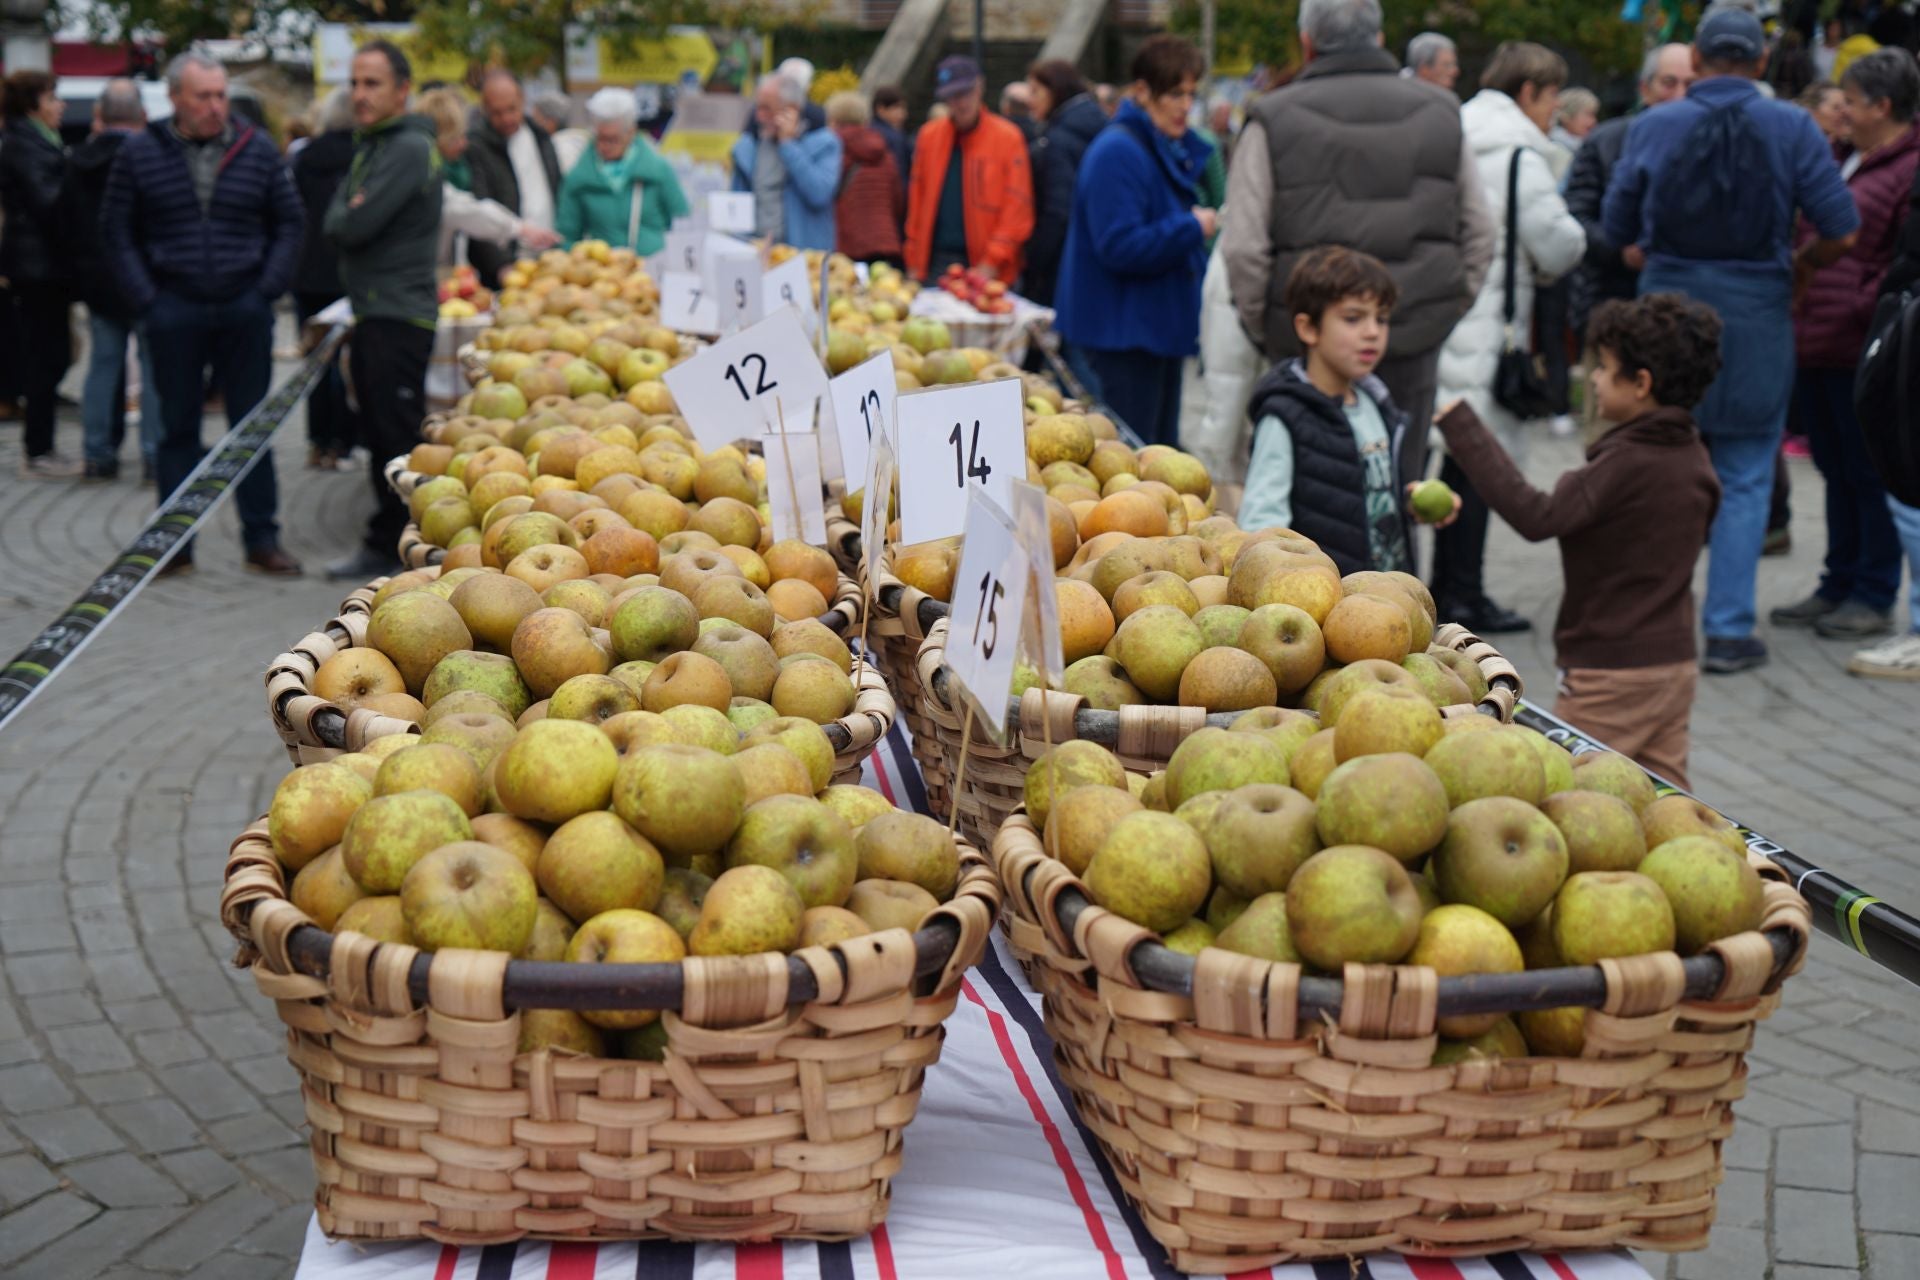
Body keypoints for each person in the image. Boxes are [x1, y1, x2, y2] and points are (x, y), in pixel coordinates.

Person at [1603, 7, 1860, 674]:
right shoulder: (1793, 126)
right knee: (1746, 474)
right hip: (1756, 313)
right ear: (1760, 61)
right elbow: (1843, 228)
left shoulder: (1655, 124)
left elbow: (1616, 223)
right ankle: (1727, 630)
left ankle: (1651, 625)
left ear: (1695, 57)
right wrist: (1803, 265)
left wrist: (1654, 257)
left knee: (1657, 462)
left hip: (1665, 311)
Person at [1435, 294, 1723, 787]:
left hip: (1608, 673)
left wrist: (1463, 428)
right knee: (1669, 794)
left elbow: (1536, 515)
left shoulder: (1622, 463)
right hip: (1674, 664)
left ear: (1641, 384)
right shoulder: (1694, 454)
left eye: (1604, 368)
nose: (1591, 377)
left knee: (1566, 788)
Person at [1219, 0, 1494, 469]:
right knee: (1399, 489)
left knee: (1305, 509)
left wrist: (1273, 327)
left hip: (1307, 344)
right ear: (1381, 39)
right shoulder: (1443, 110)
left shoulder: (1272, 116)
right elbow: (1481, 231)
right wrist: (1438, 310)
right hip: (1411, 332)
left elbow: (1243, 244)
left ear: (1307, 43)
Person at [100, 51, 303, 575]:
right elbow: (116, 231)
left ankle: (262, 539)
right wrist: (148, 300)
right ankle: (174, 544)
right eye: (204, 96)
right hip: (174, 308)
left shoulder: (255, 149)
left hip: (244, 306)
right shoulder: (140, 153)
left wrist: (266, 290)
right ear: (174, 99)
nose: (216, 106)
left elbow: (289, 222)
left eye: (221, 95)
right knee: (177, 430)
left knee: (251, 428)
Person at [1432, 43, 1587, 635]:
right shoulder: (1520, 153)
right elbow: (1558, 242)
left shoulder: (1453, 130)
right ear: (1529, 92)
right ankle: (1465, 597)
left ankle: (1446, 590)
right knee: (1477, 465)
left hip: (1448, 320)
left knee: (1449, 464)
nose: (1552, 112)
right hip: (1490, 333)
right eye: (1550, 98)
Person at [1770, 49, 1920, 642]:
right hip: (1818, 339)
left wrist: (1860, 307)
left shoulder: (1907, 169)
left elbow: (1892, 260)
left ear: (1883, 106)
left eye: (1852, 102)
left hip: (1862, 343)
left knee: (1868, 469)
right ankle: (1837, 580)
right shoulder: (1844, 157)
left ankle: (1872, 590)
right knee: (1834, 466)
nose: (1842, 113)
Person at [1240, 247, 1457, 569]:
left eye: (1381, 319)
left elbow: (1360, 497)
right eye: (1353, 318)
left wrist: (1410, 504)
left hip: (1387, 595)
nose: (1373, 332)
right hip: (1332, 604)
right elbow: (1261, 523)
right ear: (1308, 328)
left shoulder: (1375, 403)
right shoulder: (1285, 416)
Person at [1053, 36, 1212, 447]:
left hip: (1149, 333)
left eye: (1191, 94)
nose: (1185, 105)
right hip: (1123, 340)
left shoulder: (1150, 145)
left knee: (1156, 460)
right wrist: (1191, 228)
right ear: (1142, 90)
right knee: (1135, 464)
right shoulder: (1119, 150)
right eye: (1175, 93)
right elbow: (1119, 245)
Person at [323, 40, 442, 582]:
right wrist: (348, 213)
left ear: (402, 89)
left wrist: (352, 213)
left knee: (394, 437)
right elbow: (334, 219)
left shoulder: (406, 148)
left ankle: (396, 547)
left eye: (372, 83)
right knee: (378, 430)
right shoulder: (373, 144)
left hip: (398, 313)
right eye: (354, 83)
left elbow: (352, 225)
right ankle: (392, 541)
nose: (359, 95)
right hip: (376, 311)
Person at [1564, 45, 1695, 343]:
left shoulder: (1715, 143)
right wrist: (1620, 252)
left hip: (1686, 311)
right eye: (1669, 83)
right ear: (1644, 89)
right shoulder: (1605, 141)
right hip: (1612, 304)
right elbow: (1575, 216)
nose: (1679, 95)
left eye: (1690, 85)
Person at [65, 78, 158, 482]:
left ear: (99, 116)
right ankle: (156, 453)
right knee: (154, 368)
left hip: (97, 279)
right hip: (145, 276)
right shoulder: (150, 156)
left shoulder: (78, 159)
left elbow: (64, 219)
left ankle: (97, 453)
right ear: (143, 115)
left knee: (102, 365)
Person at [2, 69, 75, 478]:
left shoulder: (40, 139)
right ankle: (39, 448)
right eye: (52, 98)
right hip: (36, 267)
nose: (59, 105)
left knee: (54, 355)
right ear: (33, 104)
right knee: (44, 357)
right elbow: (47, 202)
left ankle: (42, 444)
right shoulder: (23, 143)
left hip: (47, 264)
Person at [903, 56, 1034, 282]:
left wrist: (991, 262)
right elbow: (917, 202)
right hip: (937, 262)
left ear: (979, 87)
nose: (960, 103)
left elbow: (1017, 206)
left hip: (989, 266)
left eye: (965, 93)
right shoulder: (929, 137)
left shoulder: (1007, 138)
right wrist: (913, 260)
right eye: (951, 97)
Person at [290, 86, 357, 472]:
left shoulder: (305, 157)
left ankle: (318, 442)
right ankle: (345, 442)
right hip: (346, 273)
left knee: (315, 363)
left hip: (308, 274)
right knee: (347, 363)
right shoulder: (363, 157)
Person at [417, 88, 560, 266]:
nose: (463, 144)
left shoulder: (443, 170)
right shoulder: (423, 176)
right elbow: (466, 211)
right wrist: (520, 229)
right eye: (456, 138)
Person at [555, 87, 688, 255]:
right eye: (600, 138)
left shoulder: (658, 170)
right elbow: (566, 235)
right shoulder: (579, 178)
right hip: (603, 274)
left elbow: (683, 222)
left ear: (631, 133)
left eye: (613, 139)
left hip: (653, 269)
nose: (604, 146)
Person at [465, 70, 561, 286]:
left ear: (522, 100)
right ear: (485, 110)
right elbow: (478, 210)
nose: (507, 118)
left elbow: (557, 187)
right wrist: (500, 265)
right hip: (507, 263)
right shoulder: (477, 146)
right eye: (497, 113)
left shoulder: (541, 136)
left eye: (512, 109)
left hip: (549, 257)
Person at [1023, 59, 1106, 307]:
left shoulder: (1057, 140)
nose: (1030, 100)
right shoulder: (1095, 124)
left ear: (1056, 91)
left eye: (1036, 92)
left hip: (1064, 265)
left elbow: (1058, 211)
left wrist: (1034, 260)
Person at [731, 73, 841, 251]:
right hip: (757, 254)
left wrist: (789, 145)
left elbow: (819, 193)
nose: (758, 116)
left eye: (767, 109)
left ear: (792, 110)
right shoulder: (749, 146)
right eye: (757, 107)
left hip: (803, 258)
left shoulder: (825, 144)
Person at [825, 91, 903, 266]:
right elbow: (898, 199)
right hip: (884, 240)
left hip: (849, 241)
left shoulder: (834, 151)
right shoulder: (885, 152)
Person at [530, 91, 587, 174]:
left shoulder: (559, 150)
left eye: (536, 120)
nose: (532, 126)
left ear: (551, 122)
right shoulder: (580, 142)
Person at [871, 85, 914, 190]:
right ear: (881, 109)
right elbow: (900, 174)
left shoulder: (868, 131)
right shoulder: (895, 138)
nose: (904, 114)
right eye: (897, 108)